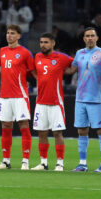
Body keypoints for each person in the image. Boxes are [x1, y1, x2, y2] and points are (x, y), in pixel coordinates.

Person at [69, 27, 101, 172]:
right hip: (80, 98)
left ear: (97, 38)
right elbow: (71, 70)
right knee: (81, 130)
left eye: (92, 36)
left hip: (97, 98)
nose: (90, 38)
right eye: (87, 36)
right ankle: (82, 163)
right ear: (84, 38)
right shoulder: (79, 53)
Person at [0, 24, 35, 170]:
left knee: (23, 125)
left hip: (20, 95)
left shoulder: (25, 53)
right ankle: (6, 160)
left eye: (12, 33)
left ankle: (25, 161)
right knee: (6, 126)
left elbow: (33, 71)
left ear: (19, 36)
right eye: (7, 33)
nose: (9, 35)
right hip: (5, 95)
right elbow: (0, 69)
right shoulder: (2, 51)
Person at [31, 33, 73, 171]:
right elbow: (32, 70)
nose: (43, 45)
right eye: (41, 42)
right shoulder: (37, 57)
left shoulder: (61, 57)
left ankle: (60, 163)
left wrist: (69, 71)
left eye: (46, 42)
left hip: (56, 103)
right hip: (41, 102)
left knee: (57, 133)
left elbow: (76, 63)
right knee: (42, 133)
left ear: (53, 43)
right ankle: (43, 162)